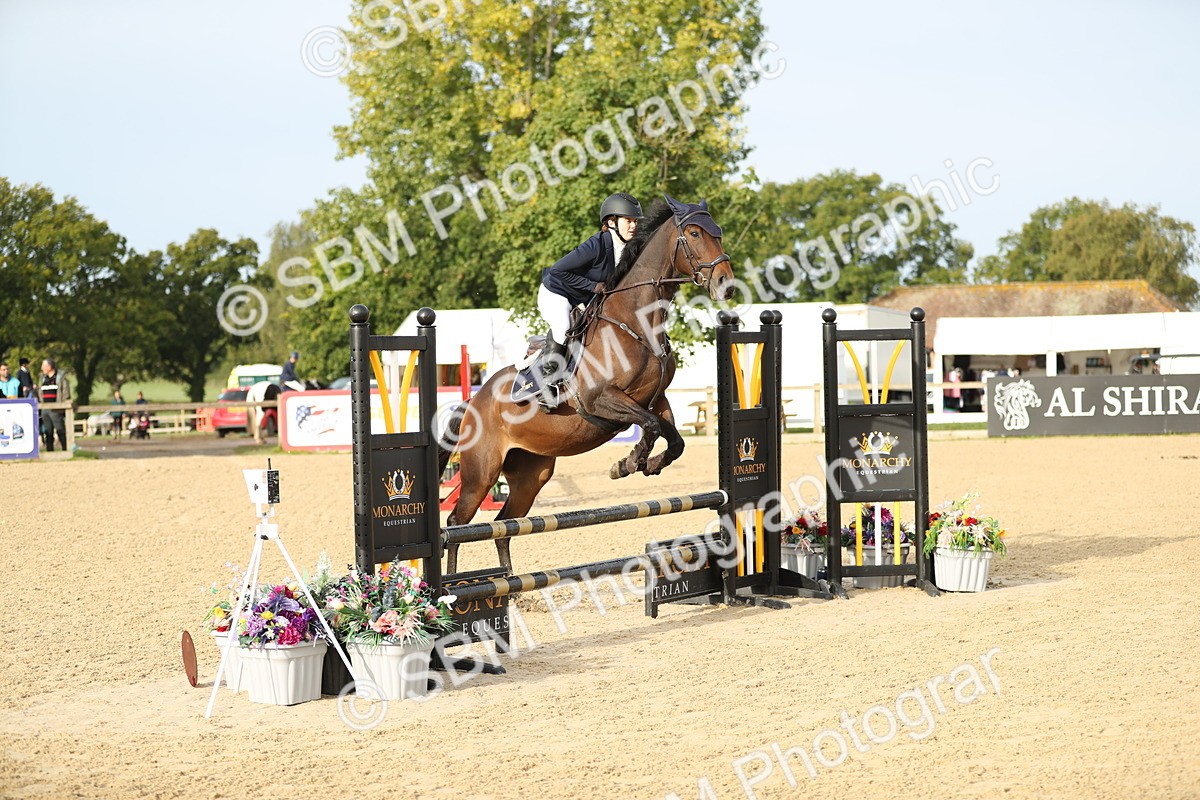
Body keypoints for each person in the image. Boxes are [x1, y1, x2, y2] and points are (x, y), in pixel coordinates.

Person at [536, 193, 642, 408]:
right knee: (563, 325)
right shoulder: (596, 245)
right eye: (628, 221)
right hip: (556, 291)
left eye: (635, 221)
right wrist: (592, 286)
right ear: (611, 222)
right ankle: (547, 385)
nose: (633, 226)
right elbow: (557, 270)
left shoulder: (630, 248)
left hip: (584, 298)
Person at [38, 358, 71, 451]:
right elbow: (40, 392)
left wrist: (61, 405)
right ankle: (50, 451)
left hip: (56, 408)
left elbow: (65, 392)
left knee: (60, 430)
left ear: (49, 367)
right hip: (45, 408)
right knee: (48, 432)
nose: (41, 368)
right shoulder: (43, 379)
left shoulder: (60, 378)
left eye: (43, 366)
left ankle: (66, 450)